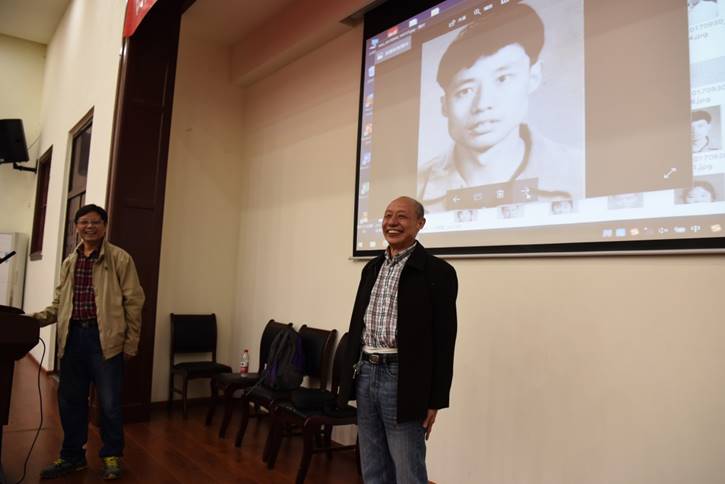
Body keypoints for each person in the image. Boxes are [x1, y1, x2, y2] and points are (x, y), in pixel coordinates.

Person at [418, 2, 584, 213]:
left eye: (502, 79)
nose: (482, 104)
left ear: (533, 77)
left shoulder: (580, 171)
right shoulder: (415, 187)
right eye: (465, 91)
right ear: (444, 105)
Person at [339, 196, 458, 483]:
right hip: (366, 372)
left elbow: (445, 341)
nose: (392, 222)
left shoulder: (438, 272)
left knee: (408, 470)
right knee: (373, 467)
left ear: (420, 224)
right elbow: (357, 324)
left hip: (404, 380)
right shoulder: (372, 268)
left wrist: (435, 400)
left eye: (402, 216)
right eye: (388, 215)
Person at [33, 204, 144, 480]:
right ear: (77, 227)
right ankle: (72, 456)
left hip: (105, 339)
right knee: (71, 402)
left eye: (95, 222)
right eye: (84, 222)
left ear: (104, 226)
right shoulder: (70, 262)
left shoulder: (119, 258)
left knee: (109, 404)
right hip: (72, 338)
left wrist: (131, 342)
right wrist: (32, 320)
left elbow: (134, 301)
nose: (89, 226)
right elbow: (59, 303)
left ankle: (112, 456)